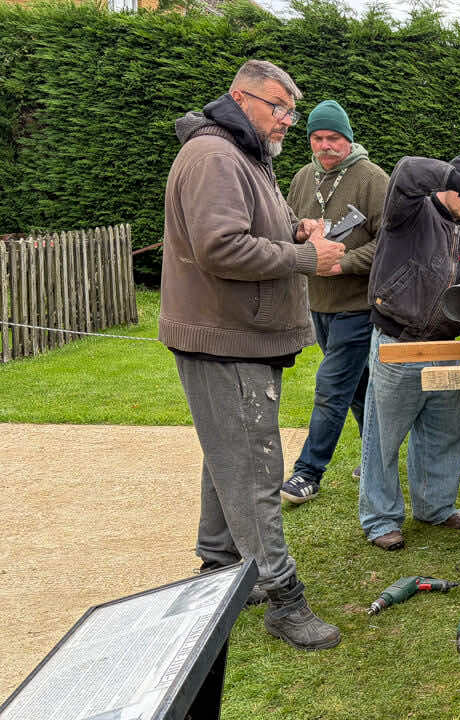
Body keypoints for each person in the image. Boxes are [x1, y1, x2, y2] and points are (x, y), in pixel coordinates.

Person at [159, 59, 345, 650]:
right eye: (279, 107)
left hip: (236, 334)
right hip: (226, 336)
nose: (289, 120)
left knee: (230, 458)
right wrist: (304, 259)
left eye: (291, 109)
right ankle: (283, 600)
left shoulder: (243, 154)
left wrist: (295, 230)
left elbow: (252, 226)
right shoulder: (215, 157)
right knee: (256, 470)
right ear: (242, 98)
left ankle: (220, 571)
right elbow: (222, 248)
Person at [357, 155, 460, 551]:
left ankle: (435, 506)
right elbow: (405, 170)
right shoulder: (409, 211)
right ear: (449, 186)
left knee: (445, 432)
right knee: (383, 437)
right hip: (399, 341)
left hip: (444, 345)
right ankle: (380, 518)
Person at [280, 100, 389, 505]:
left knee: (330, 385)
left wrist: (342, 264)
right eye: (317, 138)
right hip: (318, 302)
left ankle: (308, 473)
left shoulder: (373, 179)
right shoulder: (302, 177)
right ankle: (377, 454)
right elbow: (288, 226)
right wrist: (299, 239)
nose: (325, 146)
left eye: (333, 138)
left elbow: (388, 244)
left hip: (357, 304)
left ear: (348, 139)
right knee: (357, 386)